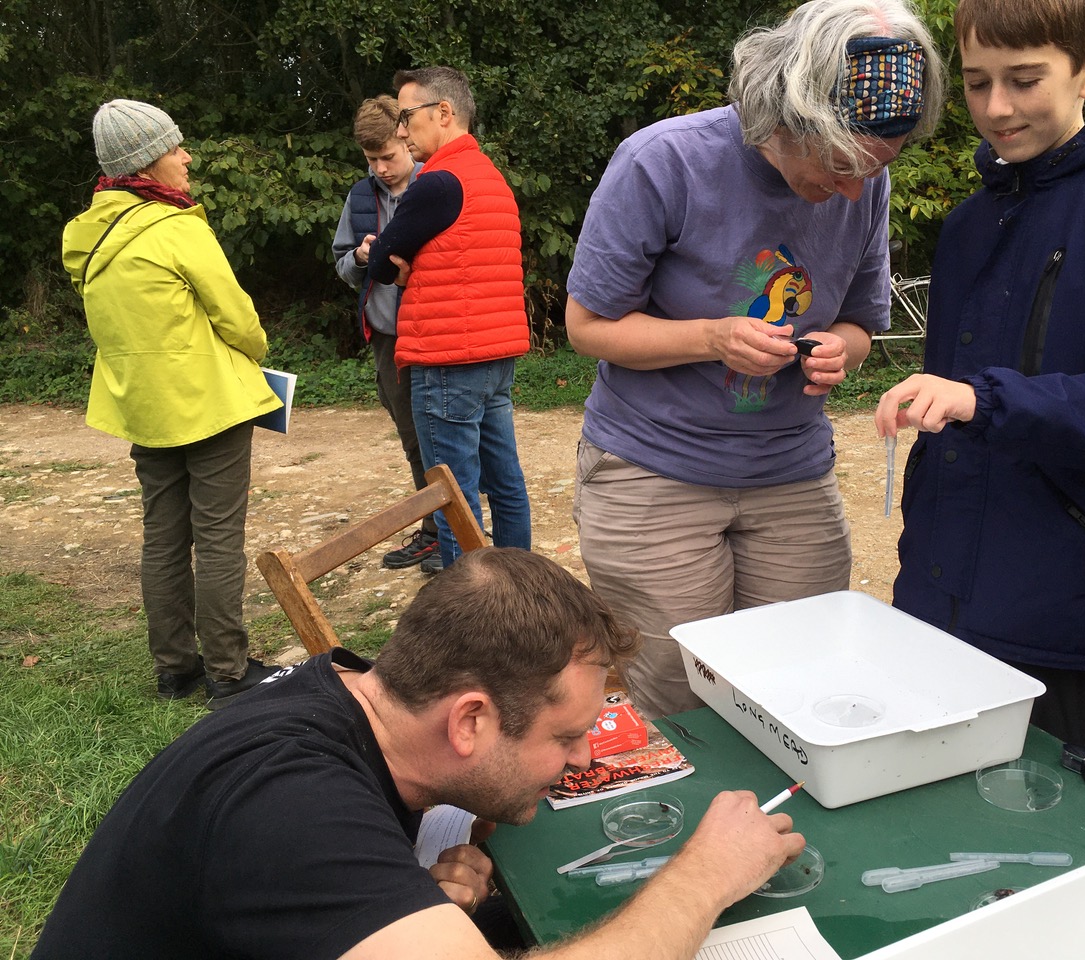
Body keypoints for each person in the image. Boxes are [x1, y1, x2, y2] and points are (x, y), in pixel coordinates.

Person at [31, 548, 804, 959]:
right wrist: (704, 877)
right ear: (468, 721)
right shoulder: (293, 809)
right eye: (565, 737)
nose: (580, 762)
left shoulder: (348, 693)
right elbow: (314, 844)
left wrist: (409, 891)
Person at [564, 0, 943, 718]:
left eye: (878, 167)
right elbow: (587, 326)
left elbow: (861, 323)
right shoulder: (664, 161)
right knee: (682, 697)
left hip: (791, 474)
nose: (854, 190)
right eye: (840, 164)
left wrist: (841, 351)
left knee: (799, 687)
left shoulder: (865, 182)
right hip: (655, 470)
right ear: (787, 116)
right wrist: (712, 338)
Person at [874, 0, 1085, 767]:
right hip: (938, 595)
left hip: (1061, 608)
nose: (997, 107)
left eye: (1024, 80)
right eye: (977, 83)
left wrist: (983, 400)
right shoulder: (967, 225)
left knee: (1057, 816)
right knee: (931, 800)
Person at [62, 99, 283, 709]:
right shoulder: (177, 228)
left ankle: (175, 671)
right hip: (210, 406)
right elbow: (238, 318)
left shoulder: (83, 236)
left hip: (144, 409)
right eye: (173, 148)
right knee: (218, 540)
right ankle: (228, 672)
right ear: (144, 164)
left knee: (161, 538)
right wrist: (257, 351)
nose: (186, 157)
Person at [367, 67, 532, 568]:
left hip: (447, 359)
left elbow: (380, 262)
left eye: (406, 116)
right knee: (505, 484)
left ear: (443, 112)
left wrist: (398, 267)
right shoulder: (490, 177)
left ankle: (472, 604)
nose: (400, 130)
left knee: (454, 498)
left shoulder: (438, 183)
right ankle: (521, 591)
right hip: (494, 355)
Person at [332, 95, 442, 574]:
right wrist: (359, 258)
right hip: (388, 339)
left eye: (388, 157)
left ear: (406, 140)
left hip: (436, 334)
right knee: (414, 440)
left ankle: (457, 533)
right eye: (371, 159)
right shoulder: (359, 197)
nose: (381, 168)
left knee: (449, 437)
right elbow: (341, 264)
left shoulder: (439, 185)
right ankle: (437, 532)